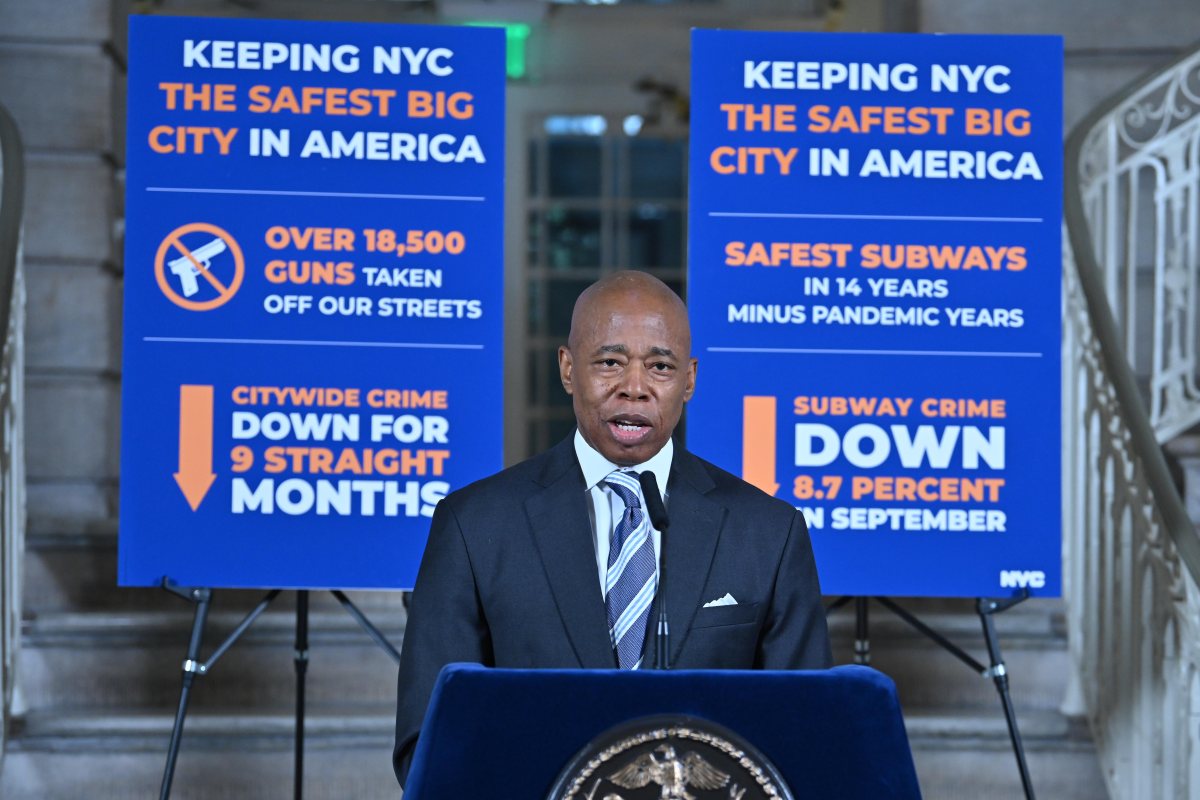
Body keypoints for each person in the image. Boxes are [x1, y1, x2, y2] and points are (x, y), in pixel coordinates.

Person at [393, 271, 830, 786]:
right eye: (610, 362)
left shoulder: (768, 533)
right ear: (567, 368)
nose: (635, 388)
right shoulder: (474, 525)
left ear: (689, 379)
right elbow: (429, 742)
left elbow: (808, 737)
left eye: (660, 367)